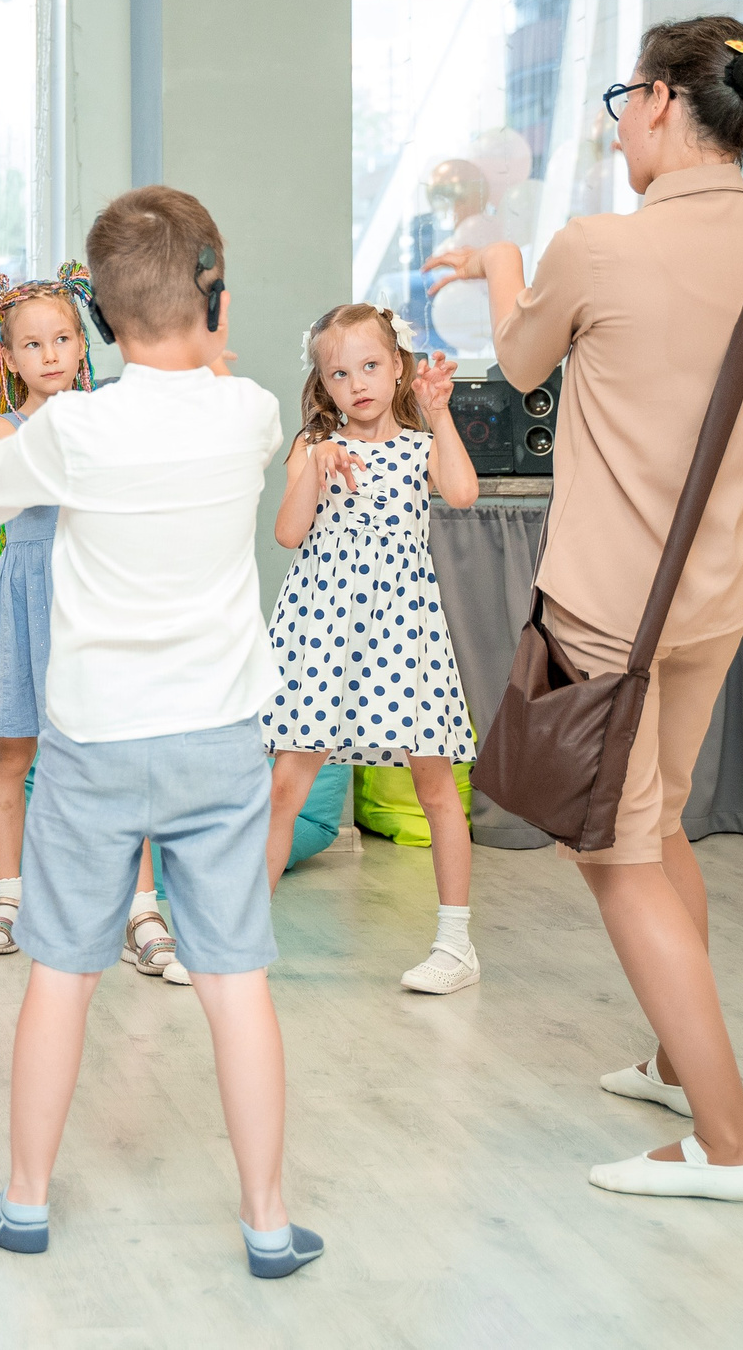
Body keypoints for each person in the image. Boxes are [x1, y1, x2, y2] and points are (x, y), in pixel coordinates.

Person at [426, 17, 743, 1203]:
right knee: (662, 828)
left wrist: (502, 264)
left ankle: (729, 1144)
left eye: (618, 99)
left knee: (615, 856)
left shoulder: (596, 247)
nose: (612, 122)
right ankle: (669, 1057)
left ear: (656, 101)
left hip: (612, 607)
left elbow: (523, 359)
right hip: (712, 595)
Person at [0, 188, 322, 1280]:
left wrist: (15, 430)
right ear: (213, 297)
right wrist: (214, 351)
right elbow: (221, 389)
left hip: (94, 747)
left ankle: (23, 1204)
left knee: (62, 973)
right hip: (218, 741)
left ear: (98, 325)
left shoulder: (70, 428)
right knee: (235, 981)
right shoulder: (248, 411)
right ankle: (265, 1222)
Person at [0, 266, 184, 987]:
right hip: (27, 598)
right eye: (34, 343)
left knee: (121, 760)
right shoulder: (4, 427)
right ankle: (8, 896)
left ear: (82, 345)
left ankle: (138, 909)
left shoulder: (107, 418)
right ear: (10, 357)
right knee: (12, 754)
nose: (51, 353)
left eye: (63, 338)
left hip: (92, 601)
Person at [261, 302, 481, 993]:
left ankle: (455, 943)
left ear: (398, 369)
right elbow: (288, 534)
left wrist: (439, 412)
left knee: (435, 785)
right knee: (285, 785)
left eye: (370, 366)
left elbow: (464, 493)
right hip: (323, 629)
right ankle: (235, 940)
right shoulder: (315, 447)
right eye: (339, 373)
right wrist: (313, 468)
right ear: (323, 385)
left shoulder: (420, 447)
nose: (356, 382)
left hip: (401, 630)